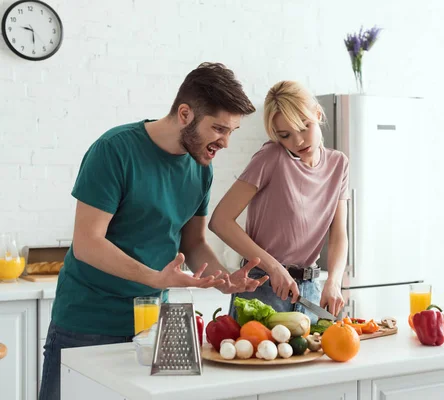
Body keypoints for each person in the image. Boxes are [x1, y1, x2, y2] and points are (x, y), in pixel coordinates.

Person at [39, 62, 269, 400]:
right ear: (186, 114)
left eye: (231, 130)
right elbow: (87, 243)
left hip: (150, 329)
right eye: (219, 129)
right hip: (87, 324)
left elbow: (194, 242)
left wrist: (224, 278)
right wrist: (155, 278)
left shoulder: (200, 169)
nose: (226, 142)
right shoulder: (115, 150)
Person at [209, 80, 349, 324]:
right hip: (263, 285)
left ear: (317, 114)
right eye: (285, 135)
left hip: (310, 290)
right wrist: (274, 268)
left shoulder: (338, 165)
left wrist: (334, 281)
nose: (298, 141)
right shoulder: (270, 157)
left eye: (304, 127)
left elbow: (339, 234)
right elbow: (220, 221)